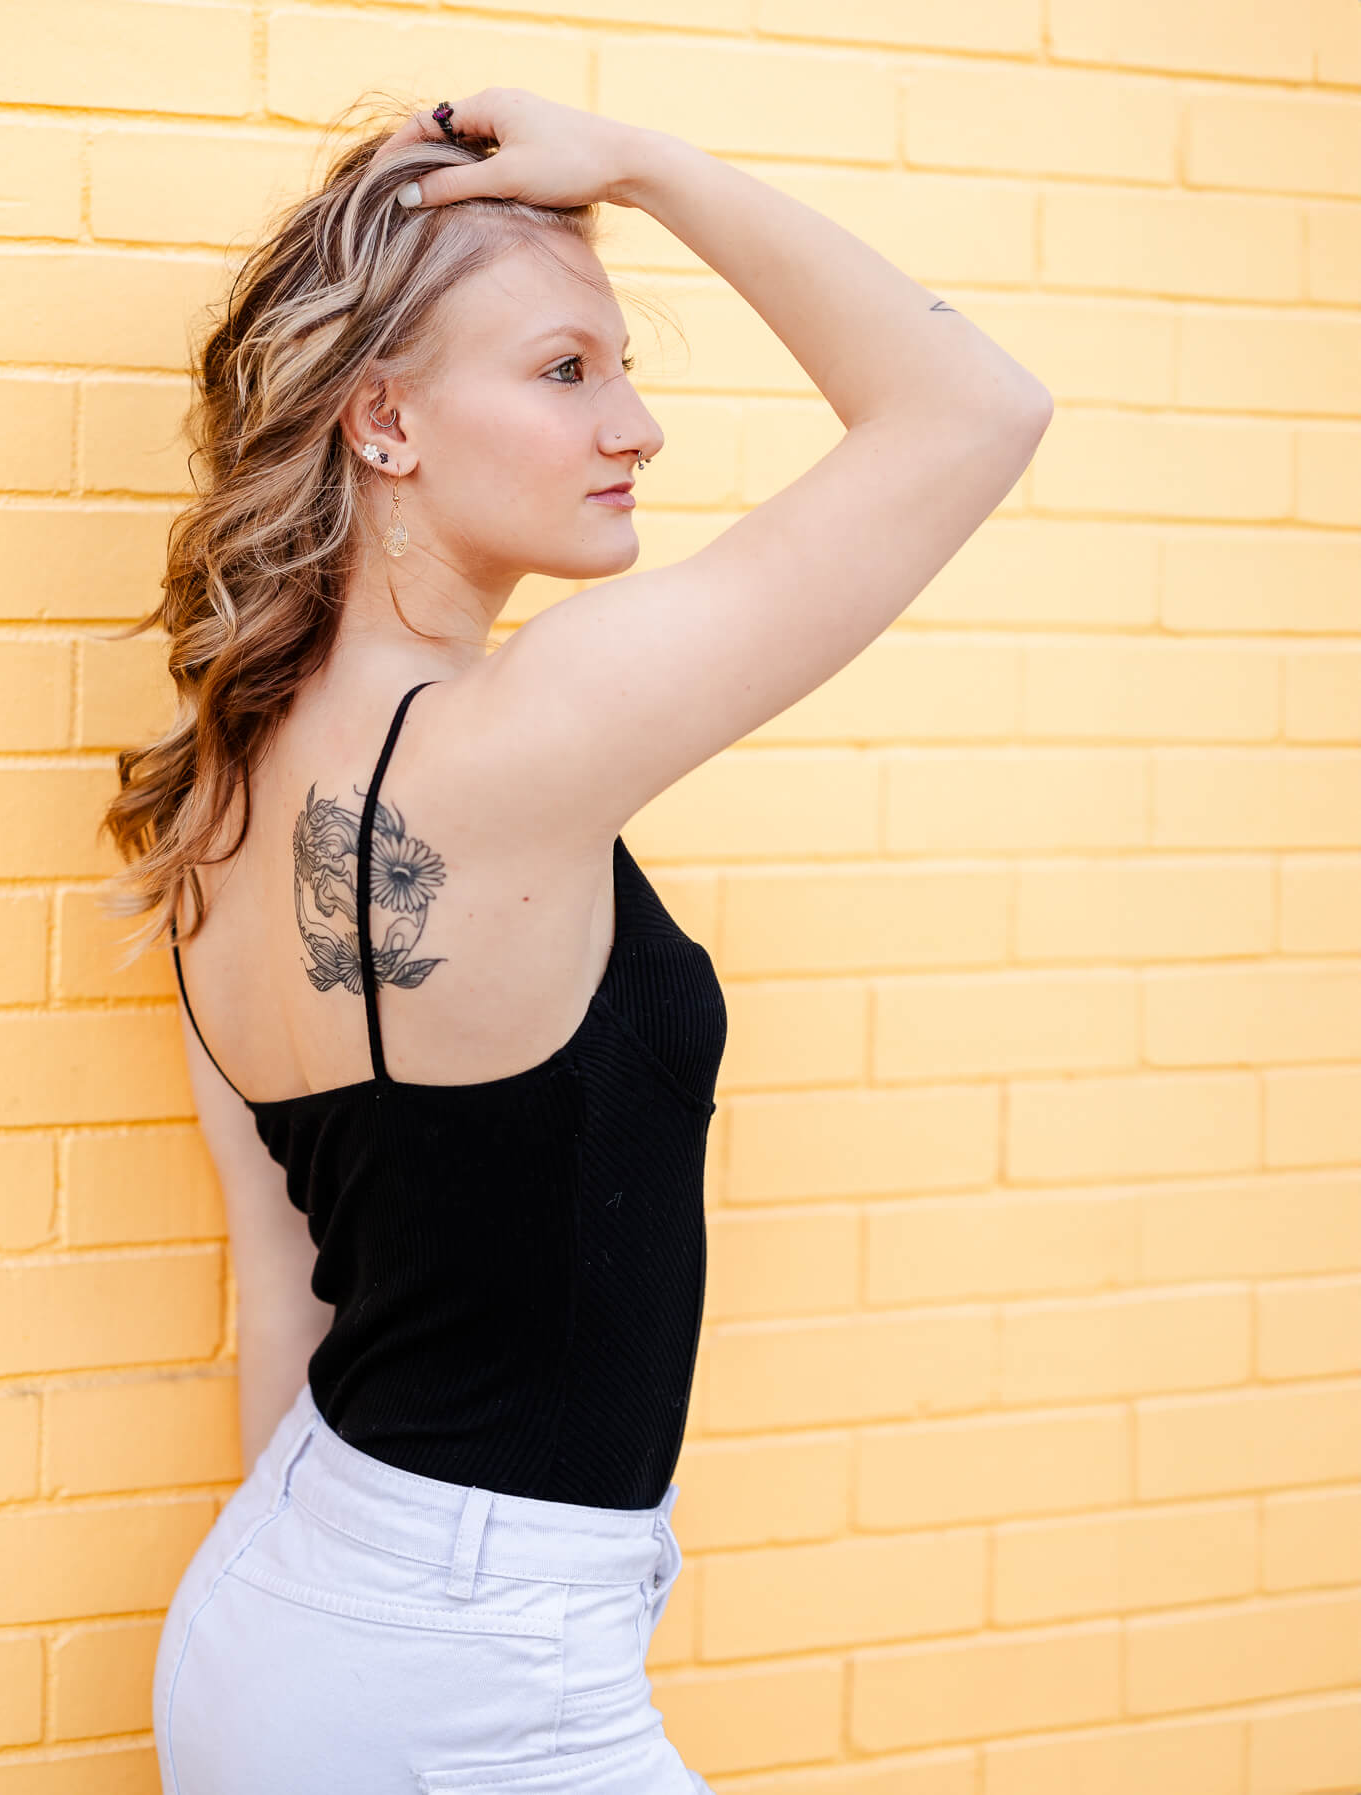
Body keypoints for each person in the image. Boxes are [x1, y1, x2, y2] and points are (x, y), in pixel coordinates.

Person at [100, 86, 1051, 1794]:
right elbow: (971, 408)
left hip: (288, 1606)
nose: (639, 426)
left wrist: (337, 1653)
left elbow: (284, 1295)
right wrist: (650, 162)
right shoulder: (518, 737)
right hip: (477, 1672)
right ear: (381, 423)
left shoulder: (212, 816)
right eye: (566, 371)